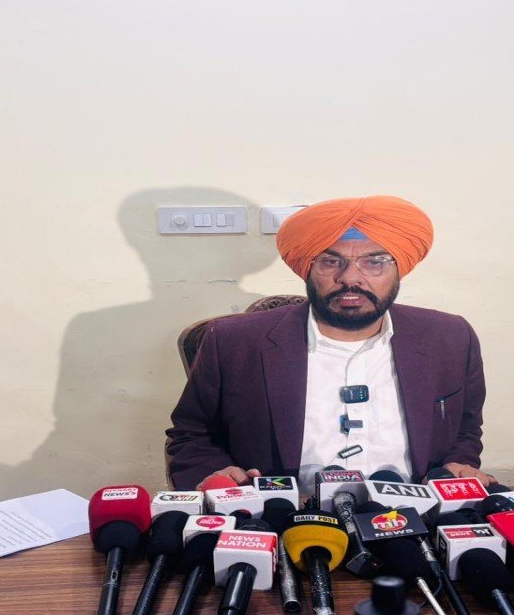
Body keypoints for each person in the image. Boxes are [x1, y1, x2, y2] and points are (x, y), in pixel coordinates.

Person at [165, 195, 494, 491]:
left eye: (375, 262)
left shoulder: (450, 336)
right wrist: (214, 475)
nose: (350, 277)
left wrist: (457, 464)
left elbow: (464, 429)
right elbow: (191, 436)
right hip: (283, 515)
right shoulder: (234, 341)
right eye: (331, 261)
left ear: (399, 270)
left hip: (416, 512)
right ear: (308, 268)